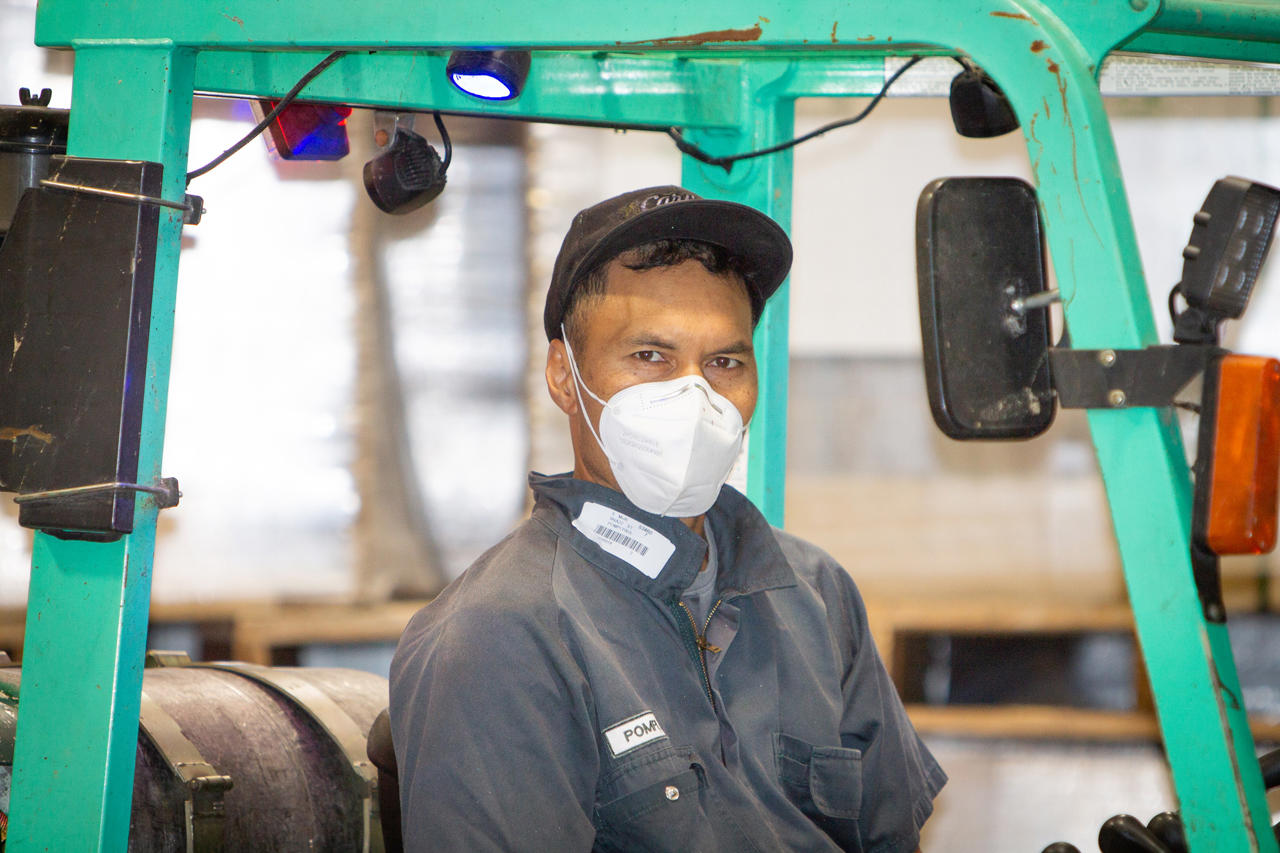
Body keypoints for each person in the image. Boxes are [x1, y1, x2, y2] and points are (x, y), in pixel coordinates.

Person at [390, 185, 946, 852]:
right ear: (565, 375)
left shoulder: (816, 594)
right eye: (651, 356)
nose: (695, 394)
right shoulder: (500, 636)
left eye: (725, 362)